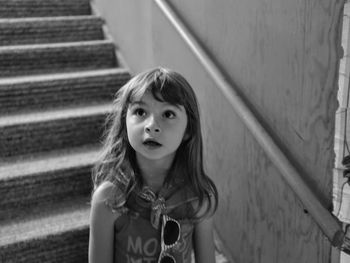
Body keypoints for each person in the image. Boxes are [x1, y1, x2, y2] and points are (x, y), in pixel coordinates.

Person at [89, 67, 218, 263]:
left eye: (168, 114)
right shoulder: (108, 199)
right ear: (125, 125)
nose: (152, 125)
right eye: (140, 112)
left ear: (188, 131)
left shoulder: (198, 198)